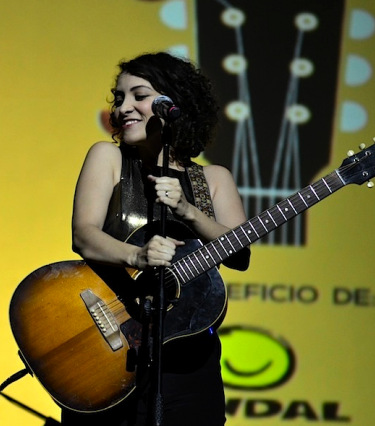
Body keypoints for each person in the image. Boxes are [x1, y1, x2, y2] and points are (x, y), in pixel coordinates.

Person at [67, 52, 250, 425]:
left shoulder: (213, 179)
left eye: (139, 95)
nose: (124, 108)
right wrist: (138, 257)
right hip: (111, 351)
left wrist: (188, 211)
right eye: (119, 98)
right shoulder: (108, 157)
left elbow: (240, 253)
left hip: (189, 359)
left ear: (174, 104)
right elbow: (84, 236)